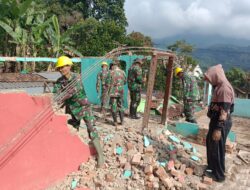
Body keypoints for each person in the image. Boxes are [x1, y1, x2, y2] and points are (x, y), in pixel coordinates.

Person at [53, 56, 104, 168]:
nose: (61, 69)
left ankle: (100, 155)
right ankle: (73, 154)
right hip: (72, 110)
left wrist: (62, 96)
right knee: (72, 132)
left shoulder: (77, 77)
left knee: (92, 129)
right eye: (59, 68)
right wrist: (58, 98)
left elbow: (71, 92)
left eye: (63, 67)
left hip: (84, 107)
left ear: (69, 66)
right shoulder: (59, 82)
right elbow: (56, 97)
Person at [204, 64, 234, 182]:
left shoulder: (224, 88)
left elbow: (224, 110)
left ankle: (219, 175)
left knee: (217, 148)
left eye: (210, 78)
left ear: (216, 76)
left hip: (221, 122)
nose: (210, 81)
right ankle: (212, 167)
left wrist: (218, 128)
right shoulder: (219, 86)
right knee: (210, 143)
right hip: (216, 120)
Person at [106, 60, 126, 127]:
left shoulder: (110, 73)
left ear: (113, 66)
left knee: (113, 106)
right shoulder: (123, 72)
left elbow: (107, 83)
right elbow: (125, 82)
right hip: (120, 92)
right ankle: (122, 121)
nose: (111, 67)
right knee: (121, 106)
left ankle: (115, 122)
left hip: (113, 92)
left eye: (111, 66)